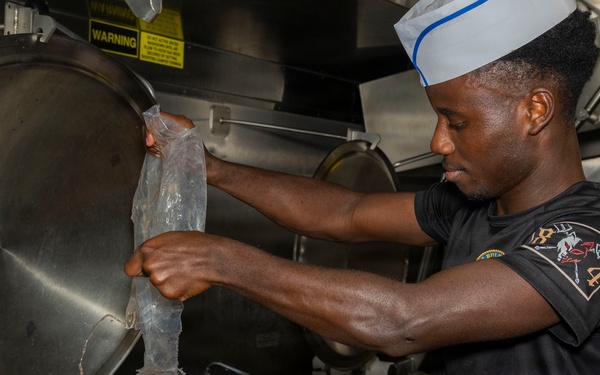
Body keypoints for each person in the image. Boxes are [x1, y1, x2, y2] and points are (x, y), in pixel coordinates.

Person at [125, 0, 600, 373]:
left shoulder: (587, 239)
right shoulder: (473, 205)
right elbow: (345, 213)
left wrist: (219, 259)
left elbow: (404, 322)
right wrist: (209, 166)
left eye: (456, 122)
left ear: (535, 111)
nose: (438, 142)